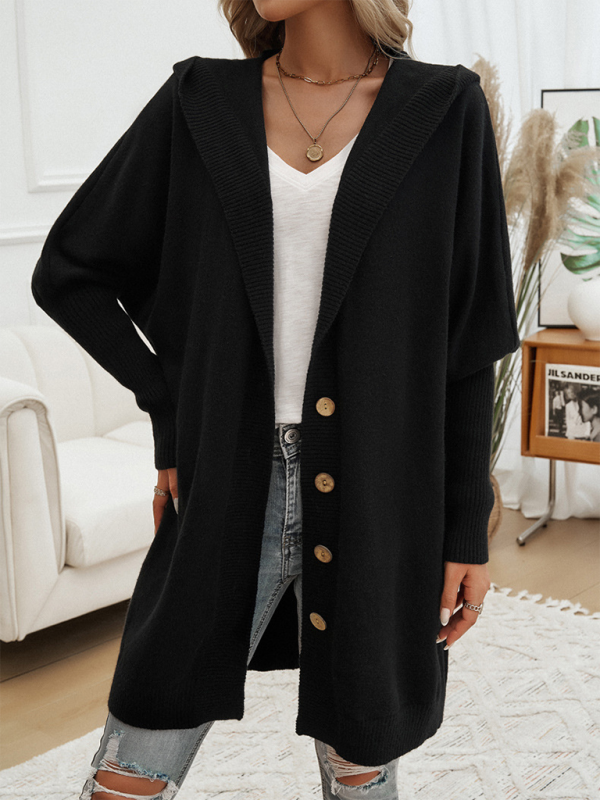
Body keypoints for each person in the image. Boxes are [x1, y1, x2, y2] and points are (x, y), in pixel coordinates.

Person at [30, 1, 521, 798]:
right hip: (226, 477)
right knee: (135, 757)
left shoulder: (445, 108)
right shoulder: (199, 101)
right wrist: (170, 417)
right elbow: (69, 273)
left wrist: (466, 526)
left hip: (381, 491)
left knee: (361, 764)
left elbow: (468, 343)